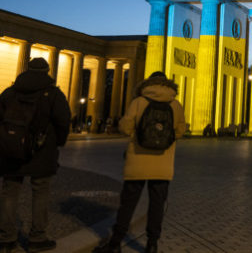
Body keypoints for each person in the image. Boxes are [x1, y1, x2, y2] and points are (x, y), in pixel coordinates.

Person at [93, 72, 186, 253]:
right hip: (162, 162)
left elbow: (125, 128)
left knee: (128, 204)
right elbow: (181, 131)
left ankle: (115, 243)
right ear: (168, 85)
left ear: (148, 84)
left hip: (138, 160)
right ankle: (152, 244)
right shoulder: (175, 105)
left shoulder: (139, 101)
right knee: (157, 204)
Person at [0, 57, 71, 253]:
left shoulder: (10, 92)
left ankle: (6, 238)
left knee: (9, 192)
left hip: (11, 149)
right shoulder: (53, 94)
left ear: (27, 69)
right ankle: (37, 238)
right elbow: (64, 121)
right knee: (40, 192)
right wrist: (58, 142)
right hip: (42, 150)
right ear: (47, 71)